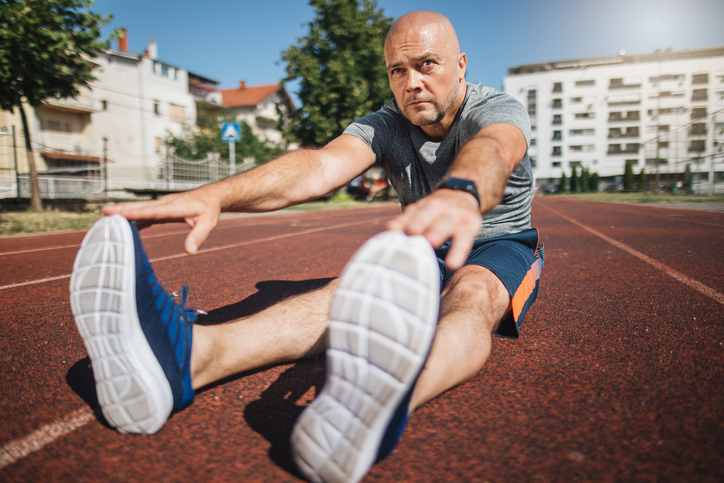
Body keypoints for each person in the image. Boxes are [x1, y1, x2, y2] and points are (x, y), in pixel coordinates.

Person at [69, 10, 543, 483]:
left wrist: (463, 190)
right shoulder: (386, 124)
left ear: (461, 64)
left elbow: (497, 147)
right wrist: (216, 195)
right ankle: (192, 357)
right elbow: (317, 168)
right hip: (426, 241)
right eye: (398, 71)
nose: (412, 82)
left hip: (502, 243)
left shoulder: (495, 108)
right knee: (350, 294)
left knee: (475, 297)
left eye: (427, 65)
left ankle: (394, 396)